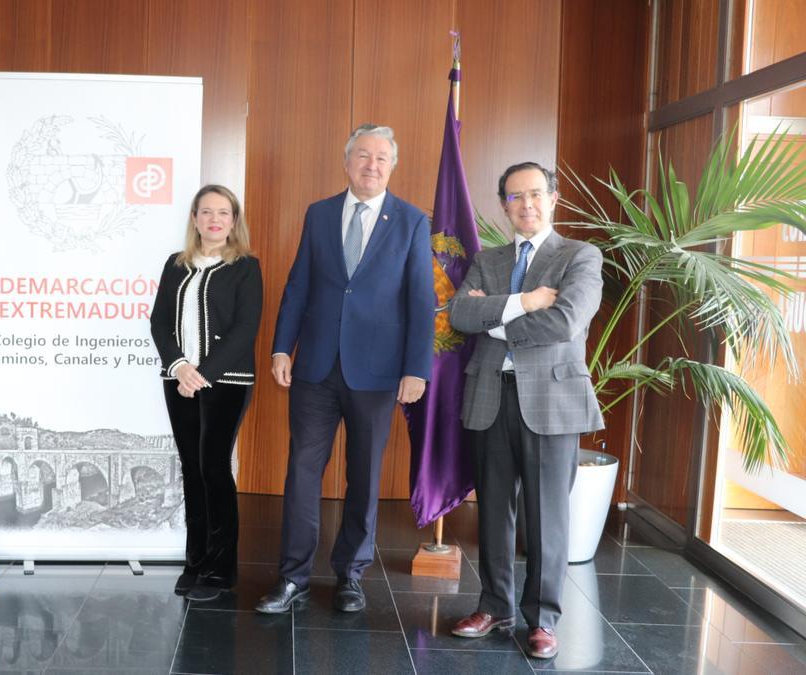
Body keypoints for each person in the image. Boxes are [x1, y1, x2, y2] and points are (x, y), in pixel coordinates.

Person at [256, 124, 434, 614]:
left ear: (392, 165)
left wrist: (416, 368)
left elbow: (422, 300)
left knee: (364, 476)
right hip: (314, 366)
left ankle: (351, 575)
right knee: (302, 472)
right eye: (362, 155)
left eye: (381, 158)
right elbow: (298, 285)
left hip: (377, 373)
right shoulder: (318, 214)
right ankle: (292, 578)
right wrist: (280, 348)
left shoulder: (413, 221)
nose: (371, 165)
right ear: (346, 161)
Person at [447, 162, 604, 659]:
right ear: (503, 205)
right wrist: (525, 301)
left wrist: (495, 316)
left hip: (551, 401)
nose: (526, 205)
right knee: (494, 510)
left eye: (535, 194)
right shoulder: (488, 259)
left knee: (546, 515)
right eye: (515, 197)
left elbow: (564, 322)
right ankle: (494, 606)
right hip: (491, 396)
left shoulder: (579, 256)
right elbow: (458, 314)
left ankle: (543, 620)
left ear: (553, 198)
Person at [151, 185, 263, 602]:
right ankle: (195, 561)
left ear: (234, 220)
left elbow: (245, 329)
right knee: (191, 469)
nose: (215, 220)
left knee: (214, 467)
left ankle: (221, 568)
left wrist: (203, 373)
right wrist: (180, 366)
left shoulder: (246, 267)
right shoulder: (175, 265)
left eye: (223, 213)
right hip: (177, 378)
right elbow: (160, 322)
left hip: (227, 381)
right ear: (194, 218)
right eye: (206, 212)